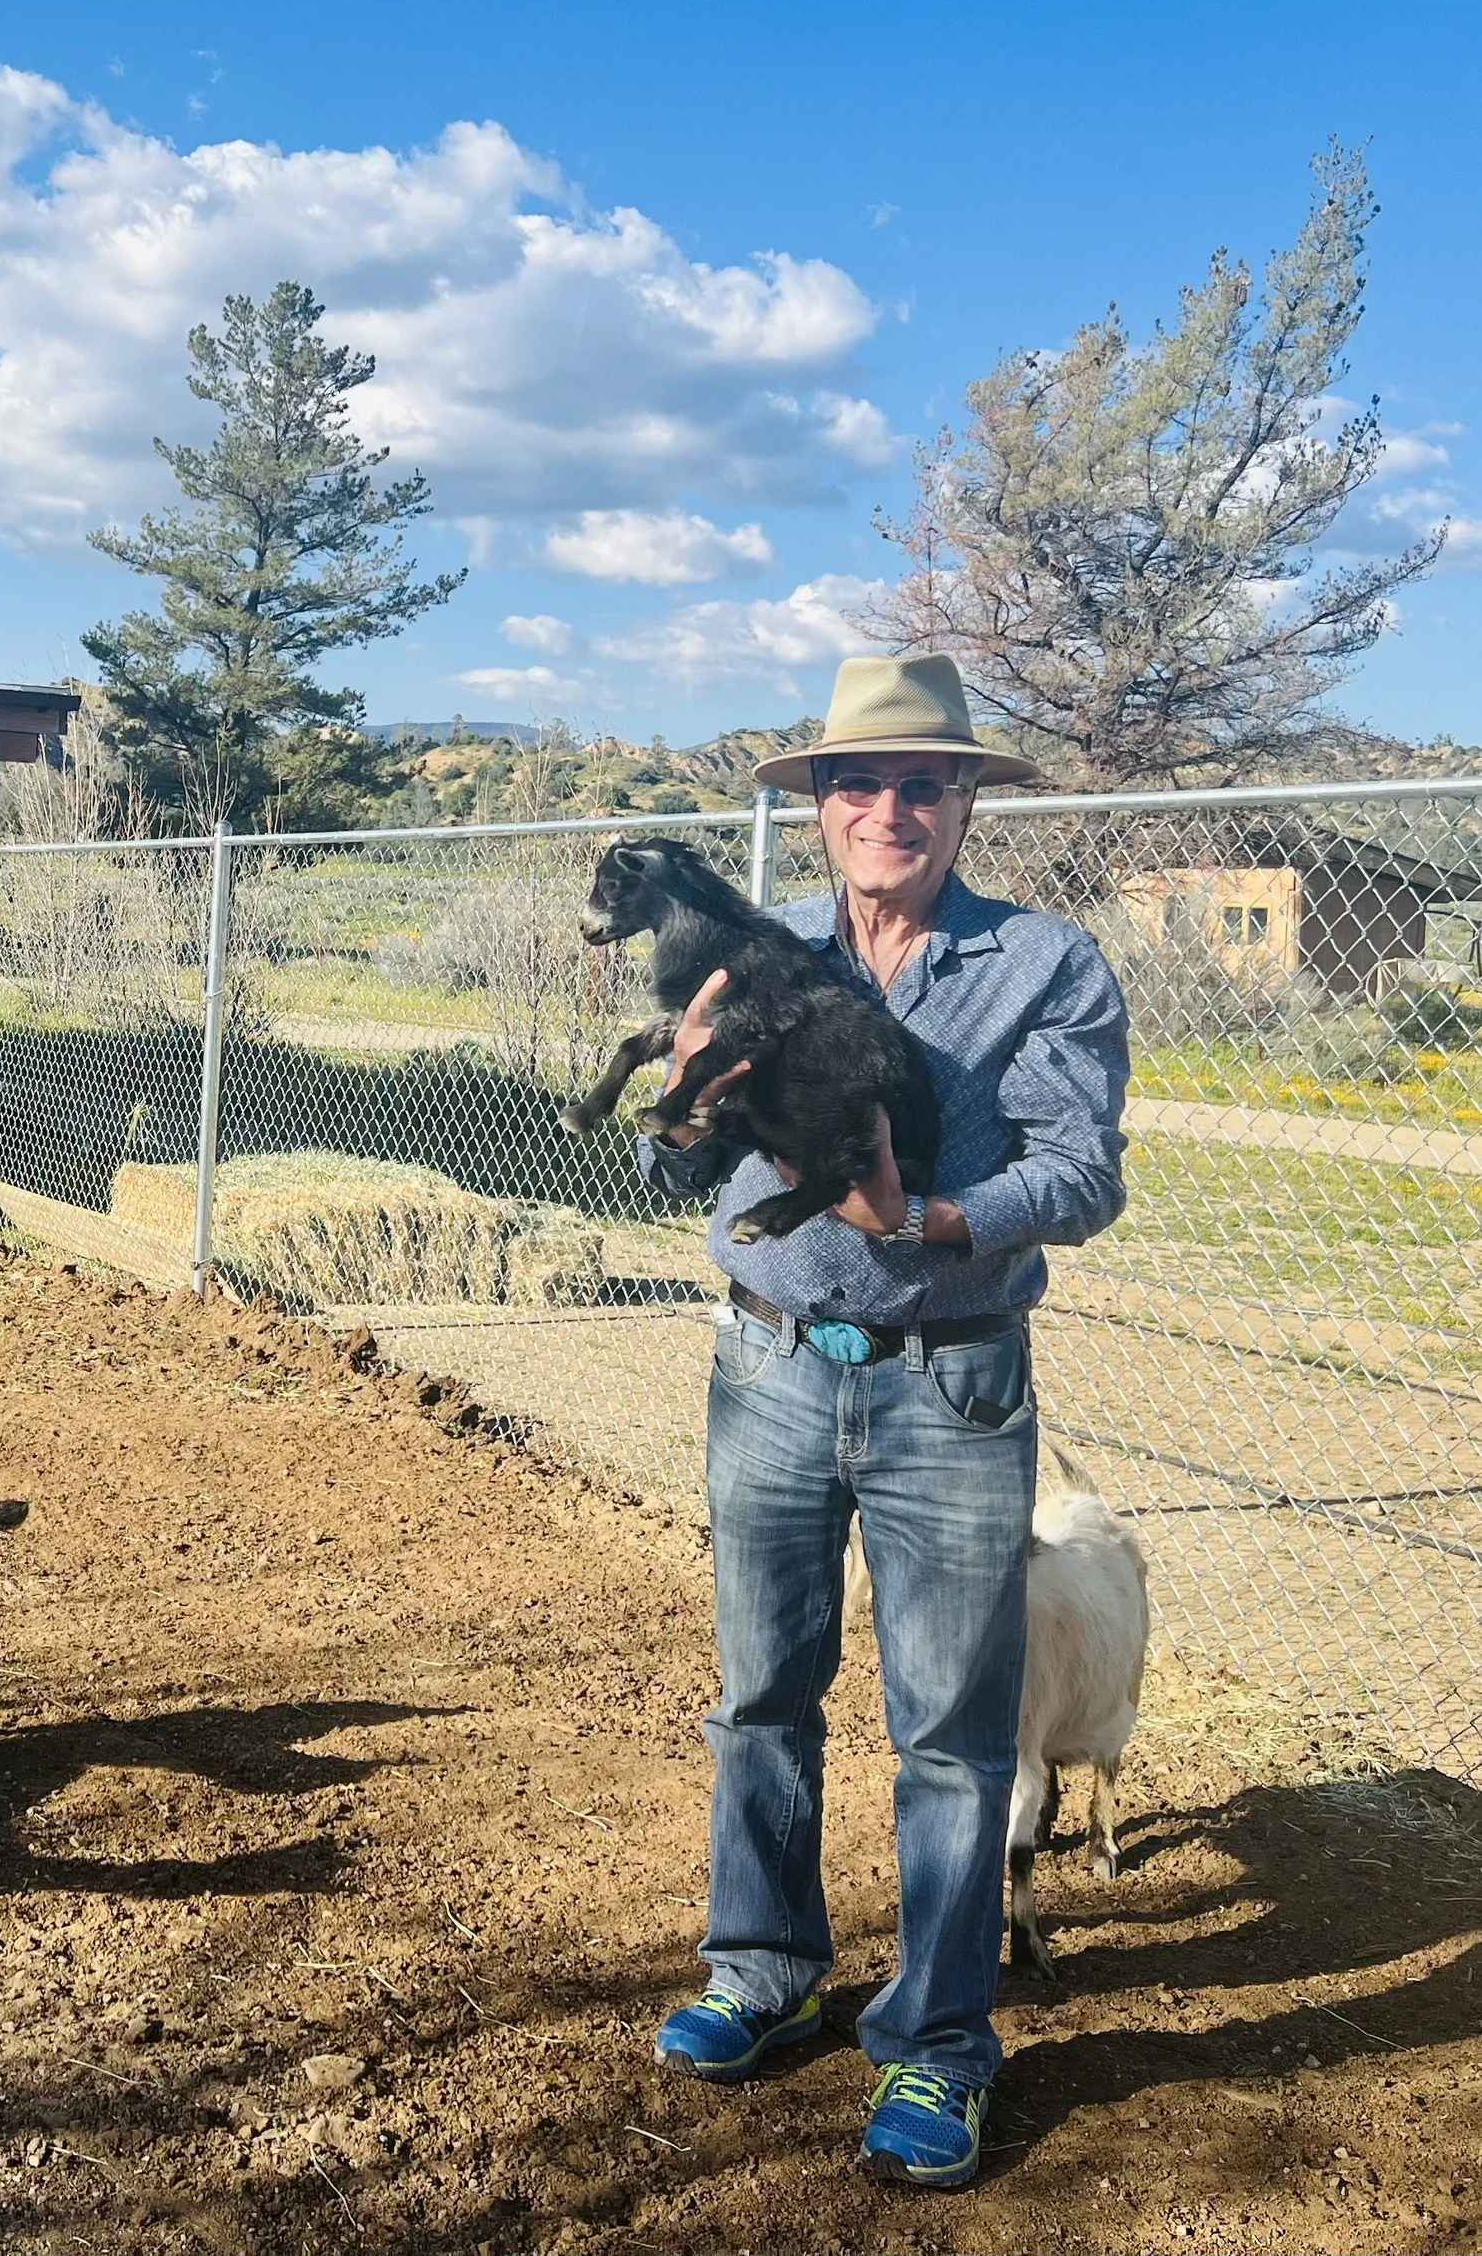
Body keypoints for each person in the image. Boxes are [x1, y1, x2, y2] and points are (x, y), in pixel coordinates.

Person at [641, 652, 1128, 2188]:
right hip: (769, 1365)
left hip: (951, 1383)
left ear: (967, 800)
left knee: (953, 1735)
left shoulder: (1048, 965)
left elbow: (1081, 1173)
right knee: (761, 1693)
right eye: (861, 781)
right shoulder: (759, 955)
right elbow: (675, 1171)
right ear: (823, 805)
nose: (889, 807)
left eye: (924, 781)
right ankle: (765, 1971)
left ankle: (935, 2048)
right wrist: (677, 1087)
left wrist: (929, 1219)